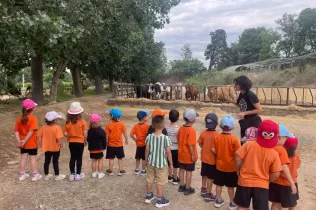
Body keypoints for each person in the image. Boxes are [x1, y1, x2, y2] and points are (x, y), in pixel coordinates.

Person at [234, 120, 282, 210]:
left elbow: (237, 157)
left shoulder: (248, 145)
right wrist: (267, 180)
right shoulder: (274, 153)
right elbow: (276, 173)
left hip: (244, 181)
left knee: (242, 207)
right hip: (262, 185)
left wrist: (238, 169)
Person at [211, 115, 240, 209]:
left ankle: (218, 200)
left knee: (219, 185)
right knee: (230, 186)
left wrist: (219, 153)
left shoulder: (217, 137)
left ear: (220, 126)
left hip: (219, 166)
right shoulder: (234, 139)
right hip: (231, 168)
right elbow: (237, 154)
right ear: (232, 127)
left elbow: (213, 150)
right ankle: (232, 202)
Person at [144, 115, 173, 208]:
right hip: (161, 164)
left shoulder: (149, 137)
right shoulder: (165, 138)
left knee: (149, 179)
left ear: (152, 126)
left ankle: (148, 195)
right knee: (159, 182)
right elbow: (168, 152)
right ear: (164, 125)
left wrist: (145, 160)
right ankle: (159, 200)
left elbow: (147, 150)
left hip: (151, 162)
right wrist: (171, 164)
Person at [226, 75, 262, 145]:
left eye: (236, 84)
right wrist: (230, 100)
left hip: (253, 122)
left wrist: (244, 113)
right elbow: (240, 105)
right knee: (243, 143)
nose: (235, 86)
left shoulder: (250, 95)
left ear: (241, 85)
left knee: (251, 144)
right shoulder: (241, 94)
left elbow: (259, 109)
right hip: (244, 121)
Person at [269, 124, 298, 210]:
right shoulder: (283, 151)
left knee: (276, 202)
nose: (286, 140)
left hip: (275, 181)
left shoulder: (270, 148)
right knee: (292, 204)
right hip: (287, 183)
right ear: (280, 137)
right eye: (285, 138)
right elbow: (285, 167)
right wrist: (292, 183)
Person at [14, 99, 42, 182]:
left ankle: (22, 175)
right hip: (31, 142)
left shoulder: (19, 119)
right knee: (32, 158)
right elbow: (31, 131)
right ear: (33, 109)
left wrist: (20, 141)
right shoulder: (33, 118)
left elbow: (16, 131)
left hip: (22, 142)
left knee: (23, 158)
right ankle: (34, 175)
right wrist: (25, 141)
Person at [38, 111, 66, 181]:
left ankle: (46, 175)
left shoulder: (43, 127)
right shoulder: (57, 128)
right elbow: (59, 138)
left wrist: (40, 143)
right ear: (55, 120)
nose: (58, 120)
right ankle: (57, 175)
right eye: (57, 119)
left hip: (47, 148)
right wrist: (61, 143)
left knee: (47, 161)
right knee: (55, 161)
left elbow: (39, 136)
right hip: (55, 148)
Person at [64, 102, 88, 181]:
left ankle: (72, 174)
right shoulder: (82, 122)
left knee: (72, 157)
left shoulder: (67, 122)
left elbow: (65, 133)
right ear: (80, 113)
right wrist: (85, 140)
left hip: (71, 142)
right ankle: (78, 174)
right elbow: (85, 132)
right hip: (80, 142)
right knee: (79, 158)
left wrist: (70, 135)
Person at [198, 113, 219, 201]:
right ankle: (208, 194)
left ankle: (203, 189)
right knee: (210, 177)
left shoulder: (203, 133)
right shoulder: (217, 135)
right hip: (212, 160)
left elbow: (199, 143)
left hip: (204, 159)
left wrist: (204, 147)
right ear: (217, 123)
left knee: (204, 174)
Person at [177, 109, 199, 195]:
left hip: (181, 154)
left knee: (181, 170)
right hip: (188, 156)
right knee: (189, 172)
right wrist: (193, 155)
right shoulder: (191, 130)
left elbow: (178, 139)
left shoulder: (181, 128)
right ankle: (187, 188)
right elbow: (190, 144)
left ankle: (182, 186)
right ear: (193, 119)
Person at [105, 108, 128, 176]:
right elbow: (124, 133)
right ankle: (120, 170)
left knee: (111, 158)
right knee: (120, 158)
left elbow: (107, 135)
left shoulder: (108, 125)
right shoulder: (122, 124)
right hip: (119, 145)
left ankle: (110, 171)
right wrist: (126, 139)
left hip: (110, 145)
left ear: (112, 116)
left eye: (109, 115)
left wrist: (106, 141)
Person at [130, 111, 150, 175]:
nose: (147, 117)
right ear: (144, 118)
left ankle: (137, 169)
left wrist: (135, 139)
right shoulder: (147, 126)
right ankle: (143, 170)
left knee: (138, 158)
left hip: (138, 145)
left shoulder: (136, 126)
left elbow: (131, 134)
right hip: (145, 145)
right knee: (144, 158)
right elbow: (148, 135)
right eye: (147, 116)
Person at [87, 113, 106, 179]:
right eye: (100, 121)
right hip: (99, 148)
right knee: (100, 160)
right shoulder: (101, 130)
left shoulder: (89, 131)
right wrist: (104, 146)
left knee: (93, 160)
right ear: (96, 123)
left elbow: (88, 139)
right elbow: (104, 139)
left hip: (92, 149)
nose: (101, 122)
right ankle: (100, 173)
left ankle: (94, 173)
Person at [284, 135, 300, 210]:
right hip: (293, 181)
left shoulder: (283, 154)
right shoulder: (296, 155)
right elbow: (298, 165)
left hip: (283, 182)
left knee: (283, 205)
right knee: (293, 204)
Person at [165, 109, 180, 185]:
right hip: (176, 148)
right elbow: (179, 139)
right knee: (176, 164)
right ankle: (175, 178)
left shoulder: (166, 127)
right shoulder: (178, 129)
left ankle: (169, 176)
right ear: (177, 118)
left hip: (168, 148)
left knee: (169, 162)